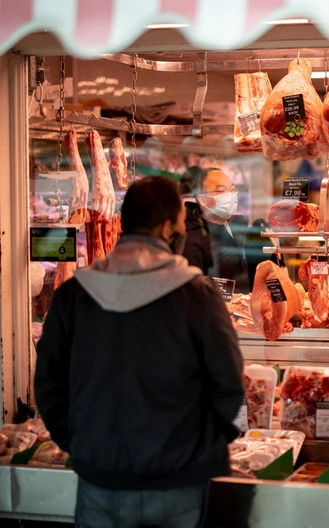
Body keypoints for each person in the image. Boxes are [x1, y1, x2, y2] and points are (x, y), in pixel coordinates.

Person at [34, 176, 244, 527]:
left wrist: (82, 445)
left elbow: (49, 386)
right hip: (180, 482)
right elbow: (230, 386)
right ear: (166, 229)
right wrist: (206, 445)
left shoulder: (73, 295)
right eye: (181, 223)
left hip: (99, 483)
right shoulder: (197, 294)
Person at [183, 167, 252, 293]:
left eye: (232, 190)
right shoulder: (192, 238)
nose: (230, 196)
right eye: (221, 191)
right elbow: (193, 291)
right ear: (202, 200)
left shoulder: (239, 226)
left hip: (244, 308)